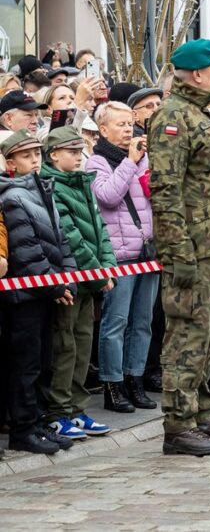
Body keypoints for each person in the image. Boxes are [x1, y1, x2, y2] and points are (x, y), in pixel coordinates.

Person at [148, 38, 210, 456]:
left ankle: (200, 414)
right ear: (196, 74)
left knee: (208, 335)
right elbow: (165, 190)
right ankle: (177, 424)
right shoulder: (173, 118)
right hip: (189, 249)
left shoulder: (198, 113)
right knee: (186, 336)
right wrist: (177, 252)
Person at [0, 131, 78, 454]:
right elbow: (26, 250)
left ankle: (38, 421)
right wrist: (55, 284)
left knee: (45, 360)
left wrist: (70, 278)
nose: (35, 160)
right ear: (10, 163)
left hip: (47, 292)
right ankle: (23, 429)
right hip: (26, 297)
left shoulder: (42, 189)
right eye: (26, 156)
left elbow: (60, 240)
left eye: (37, 154)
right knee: (26, 365)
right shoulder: (11, 196)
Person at [84, 102, 160, 413]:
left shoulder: (142, 159)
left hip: (147, 251)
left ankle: (135, 379)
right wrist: (130, 163)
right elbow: (108, 197)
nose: (129, 130)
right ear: (103, 130)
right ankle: (112, 385)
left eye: (130, 124)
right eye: (120, 125)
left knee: (143, 322)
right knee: (116, 322)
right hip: (120, 255)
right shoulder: (96, 162)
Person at [41, 127, 117, 439]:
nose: (77, 156)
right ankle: (59, 410)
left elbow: (99, 227)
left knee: (83, 345)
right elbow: (69, 236)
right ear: (54, 154)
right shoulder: (52, 185)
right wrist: (97, 272)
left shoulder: (82, 182)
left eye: (79, 150)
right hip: (73, 278)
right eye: (71, 151)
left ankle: (76, 407)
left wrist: (108, 265)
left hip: (90, 279)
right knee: (65, 347)